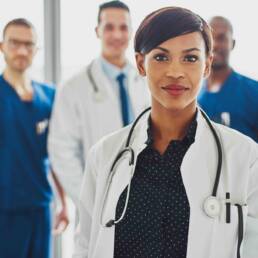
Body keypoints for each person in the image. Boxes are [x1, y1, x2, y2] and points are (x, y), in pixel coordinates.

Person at [73, 7, 258, 258]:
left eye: (190, 58)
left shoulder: (245, 157)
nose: (175, 72)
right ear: (140, 64)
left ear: (207, 65)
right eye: (161, 57)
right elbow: (84, 247)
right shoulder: (104, 156)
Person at [48, 0, 149, 206]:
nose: (117, 35)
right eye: (109, 27)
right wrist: (90, 199)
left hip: (144, 195)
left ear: (131, 32)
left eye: (123, 28)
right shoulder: (73, 88)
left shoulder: (147, 81)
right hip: (97, 201)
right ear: (97, 31)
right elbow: (61, 151)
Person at [0, 18, 69, 258]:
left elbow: (56, 153)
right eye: (14, 43)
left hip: (41, 207)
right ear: (2, 46)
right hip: (4, 210)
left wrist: (63, 202)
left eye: (28, 44)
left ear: (36, 50)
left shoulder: (49, 95)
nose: (21, 50)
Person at [198, 16, 258, 142]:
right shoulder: (190, 95)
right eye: (210, 38)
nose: (214, 45)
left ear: (233, 43)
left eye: (221, 38)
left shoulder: (254, 92)